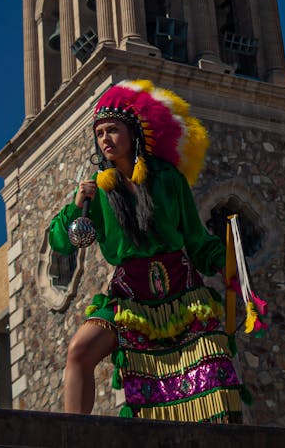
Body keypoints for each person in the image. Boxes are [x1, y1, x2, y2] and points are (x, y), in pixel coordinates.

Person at [47, 79, 245, 422]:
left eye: (113, 130)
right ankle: (74, 434)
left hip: (183, 294)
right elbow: (62, 241)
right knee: (79, 351)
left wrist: (228, 259)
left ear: (133, 133)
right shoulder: (97, 192)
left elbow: (196, 240)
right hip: (128, 298)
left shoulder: (167, 179)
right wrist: (77, 203)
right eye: (100, 133)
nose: (106, 139)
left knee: (212, 376)